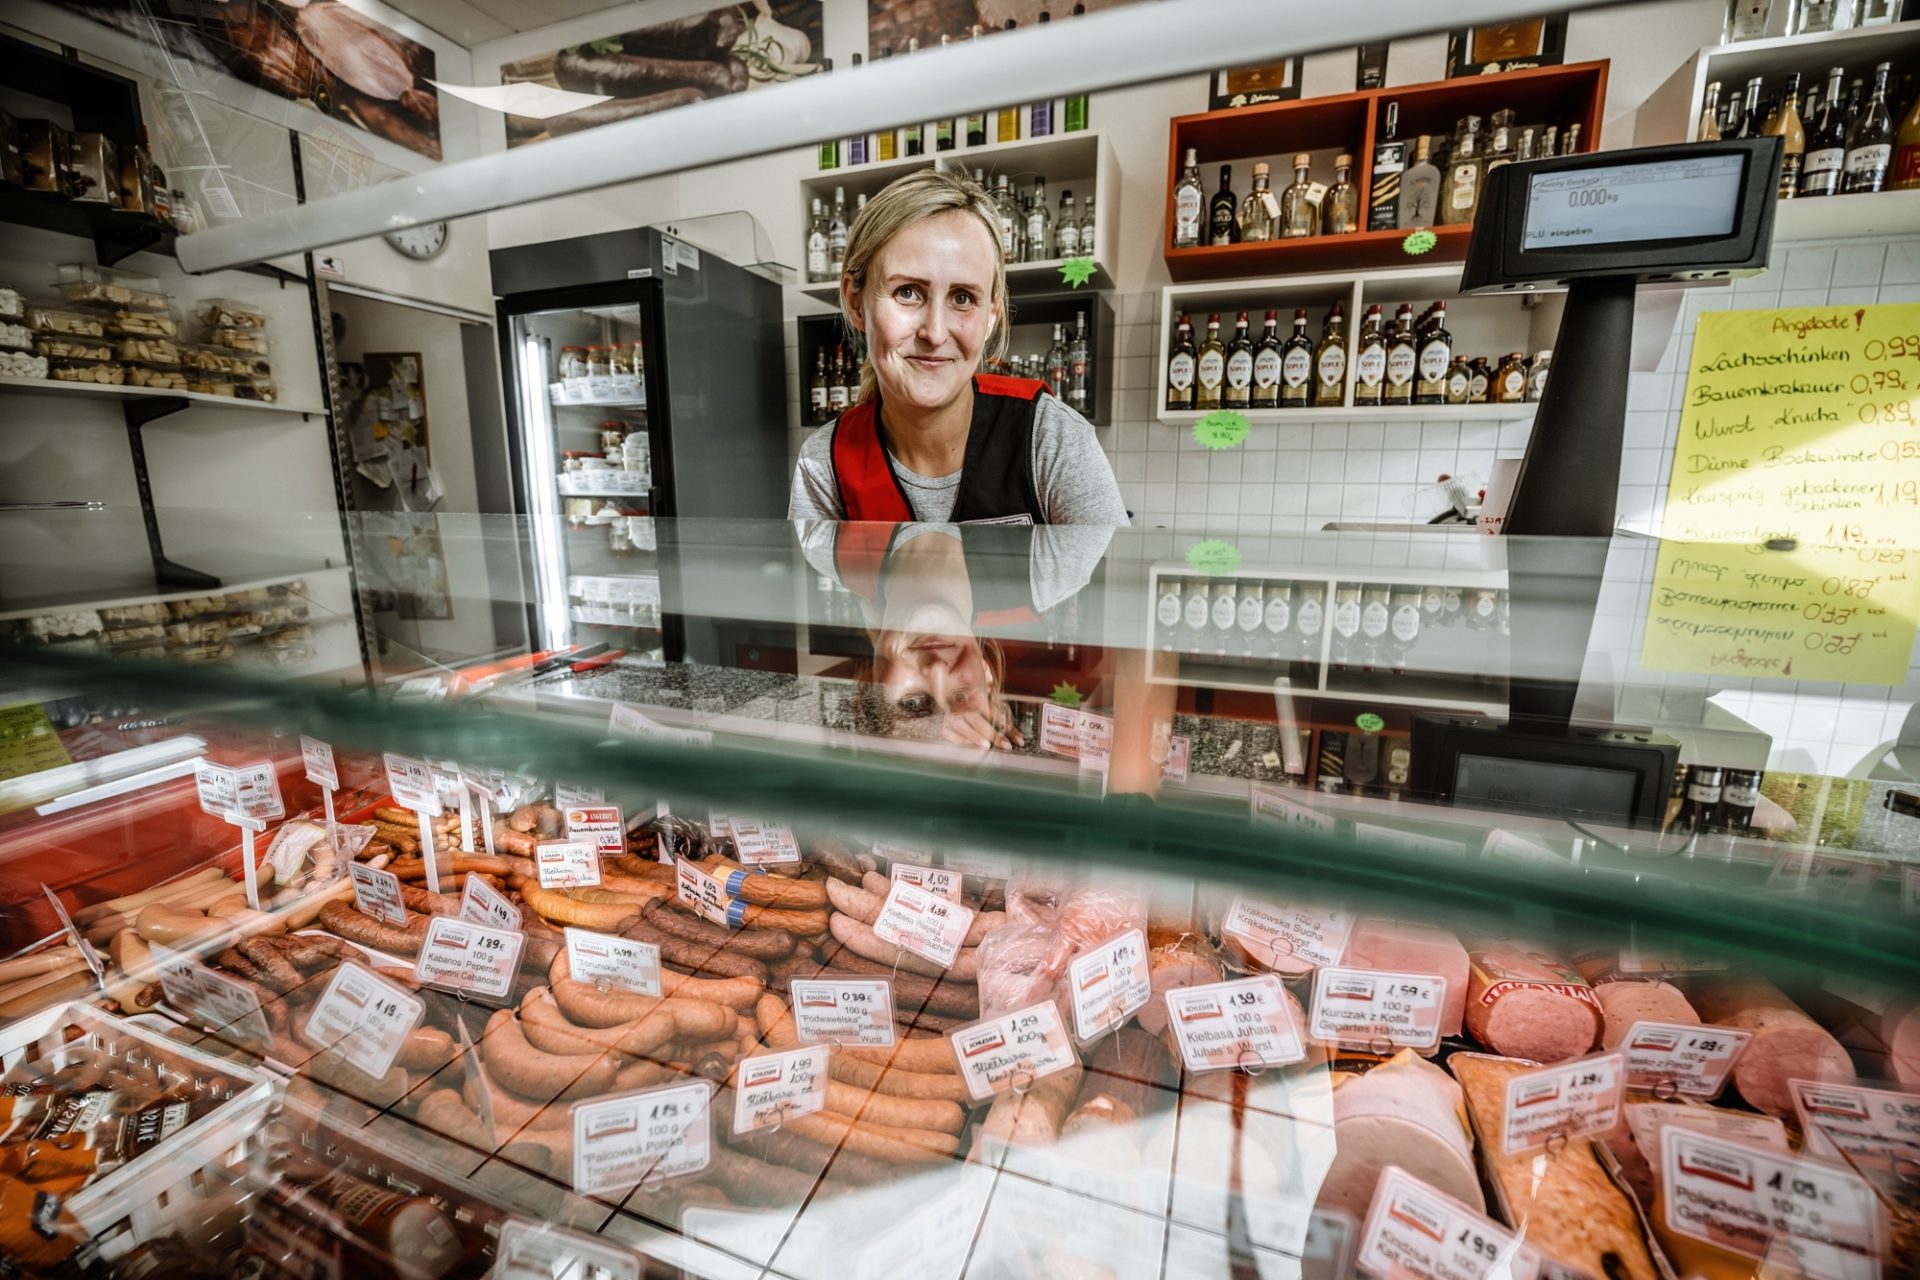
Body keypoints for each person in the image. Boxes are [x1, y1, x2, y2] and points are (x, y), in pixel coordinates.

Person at [788, 169, 1127, 526]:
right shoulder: (824, 462)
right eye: (907, 292)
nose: (934, 333)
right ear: (856, 303)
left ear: (991, 317)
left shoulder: (1050, 437)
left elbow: (1108, 580)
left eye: (962, 298)